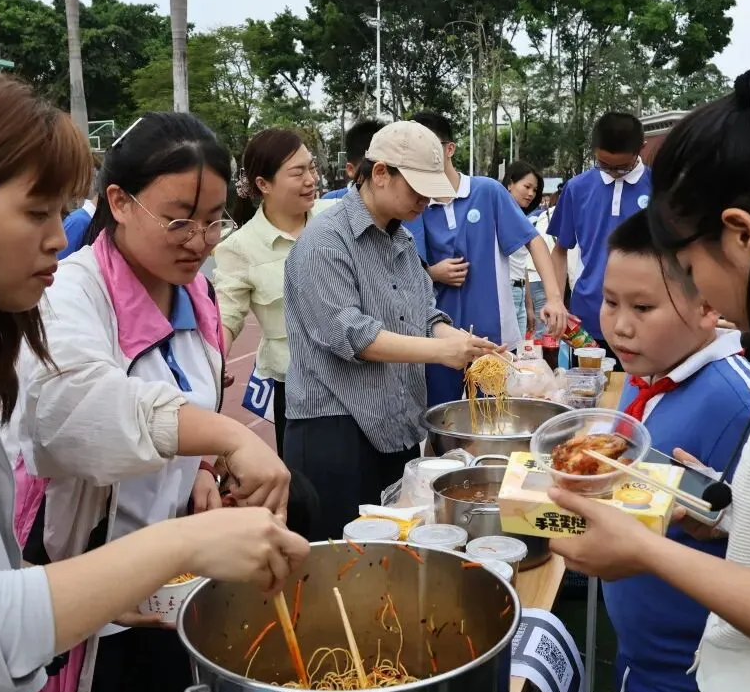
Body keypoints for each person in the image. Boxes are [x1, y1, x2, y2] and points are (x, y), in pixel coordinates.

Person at [0, 71, 308, 692]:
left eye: (213, 222)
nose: (58, 234)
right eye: (36, 212)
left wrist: (114, 570)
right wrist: (179, 546)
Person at [547, 59, 750, 692]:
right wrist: (726, 518)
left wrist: (646, 550)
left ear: (741, 234)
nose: (706, 300)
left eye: (691, 269)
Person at [10, 112, 296, 692]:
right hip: (89, 591)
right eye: (179, 221)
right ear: (119, 202)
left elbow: (191, 400)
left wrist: (203, 469)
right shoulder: (71, 294)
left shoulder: (197, 295)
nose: (201, 241)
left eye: (214, 220)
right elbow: (74, 410)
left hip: (171, 589)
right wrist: (228, 436)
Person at [283, 120, 499, 540]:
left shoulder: (400, 240)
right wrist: (441, 353)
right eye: (417, 188)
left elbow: (424, 315)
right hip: (335, 428)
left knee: (394, 548)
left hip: (393, 423)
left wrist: (461, 342)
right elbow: (352, 335)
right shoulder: (325, 241)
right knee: (341, 555)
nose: (424, 200)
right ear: (380, 173)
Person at [599, 210, 750, 692]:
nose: (620, 326)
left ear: (708, 305)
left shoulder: (738, 402)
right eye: (609, 301)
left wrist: (726, 519)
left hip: (692, 682)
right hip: (640, 660)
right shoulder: (648, 371)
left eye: (643, 307)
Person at [408, 111, 567, 405]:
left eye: (427, 149)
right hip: (438, 339)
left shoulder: (486, 191)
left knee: (495, 417)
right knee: (440, 416)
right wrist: (433, 273)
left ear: (449, 149)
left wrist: (554, 299)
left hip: (494, 337)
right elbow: (399, 270)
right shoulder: (414, 203)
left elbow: (533, 240)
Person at [213, 128, 334, 455]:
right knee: (305, 479)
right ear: (263, 184)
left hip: (359, 378)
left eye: (311, 168)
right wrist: (214, 361)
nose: (311, 179)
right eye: (298, 172)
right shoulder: (240, 248)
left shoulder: (336, 218)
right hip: (296, 391)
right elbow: (227, 316)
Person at [548, 112, 651, 358]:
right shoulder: (577, 188)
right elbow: (560, 250)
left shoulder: (662, 187)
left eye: (622, 166)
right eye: (604, 164)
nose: (613, 172)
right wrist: (556, 300)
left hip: (646, 319)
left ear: (641, 148)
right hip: (588, 318)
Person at [502, 161, 545, 340]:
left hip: (519, 292)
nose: (531, 194)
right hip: (505, 292)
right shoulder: (498, 217)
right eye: (527, 187)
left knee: (519, 350)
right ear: (510, 184)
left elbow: (521, 266)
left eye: (535, 190)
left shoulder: (523, 220)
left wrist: (529, 307)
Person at [322, 119, 384, 200]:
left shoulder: (397, 202)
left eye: (391, 169)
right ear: (351, 169)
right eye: (371, 169)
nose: (381, 178)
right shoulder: (330, 201)